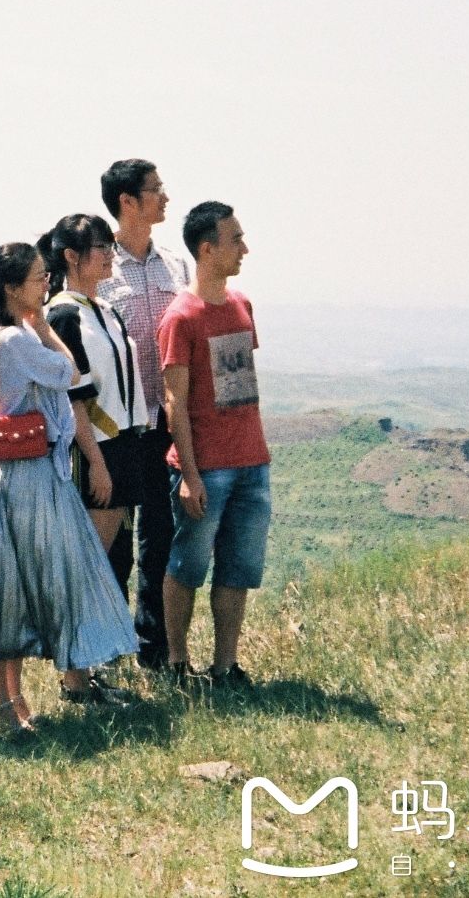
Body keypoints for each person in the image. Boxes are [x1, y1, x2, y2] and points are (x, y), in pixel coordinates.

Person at [0, 243, 138, 730]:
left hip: (34, 469)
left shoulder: (7, 336)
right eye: (37, 279)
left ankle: (10, 700)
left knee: (19, 581)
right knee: (19, 582)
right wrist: (44, 326)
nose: (46, 286)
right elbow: (70, 371)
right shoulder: (16, 340)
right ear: (11, 288)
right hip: (29, 474)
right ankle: (4, 700)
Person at [159, 202, 271, 688]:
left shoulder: (242, 305)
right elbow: (174, 402)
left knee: (239, 568)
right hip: (207, 466)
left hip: (251, 460)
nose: (245, 247)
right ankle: (179, 663)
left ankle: (226, 666)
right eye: (236, 239)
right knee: (188, 566)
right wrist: (189, 473)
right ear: (208, 249)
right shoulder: (181, 318)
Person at [96, 158, 192, 670]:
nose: (166, 197)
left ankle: (153, 648)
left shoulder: (174, 266)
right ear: (127, 201)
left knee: (161, 536)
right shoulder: (98, 267)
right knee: (114, 542)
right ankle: (107, 648)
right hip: (117, 429)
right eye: (156, 190)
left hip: (165, 423)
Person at [41, 215, 150, 561]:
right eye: (100, 247)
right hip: (98, 452)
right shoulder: (63, 314)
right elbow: (74, 399)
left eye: (110, 246)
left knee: (117, 561)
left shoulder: (106, 310)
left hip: (127, 447)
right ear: (71, 256)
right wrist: (97, 464)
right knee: (91, 562)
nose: (110, 254)